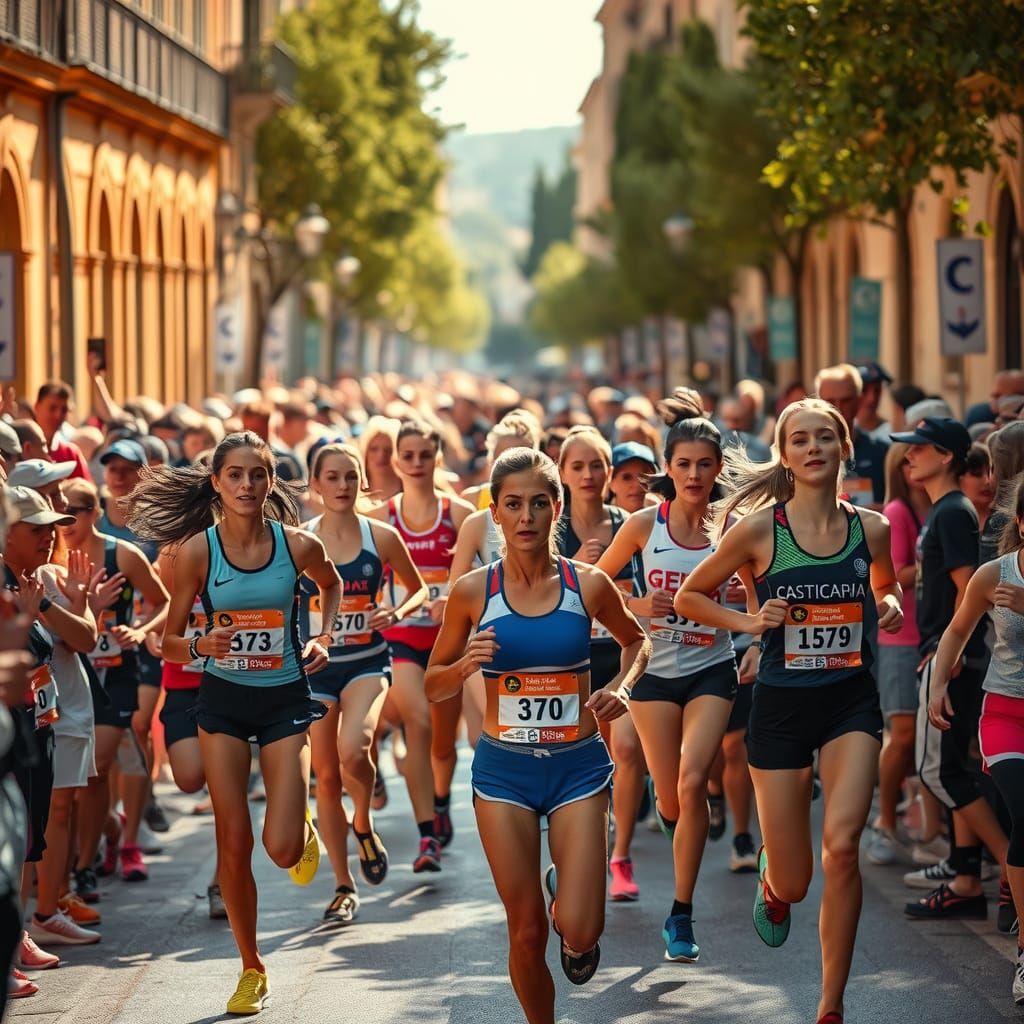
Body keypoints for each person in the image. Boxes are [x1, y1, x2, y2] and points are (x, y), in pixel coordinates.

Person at [676, 397, 903, 1024]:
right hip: (779, 708)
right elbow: (692, 596)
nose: (812, 448)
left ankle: (831, 1004)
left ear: (844, 447)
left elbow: (885, 584)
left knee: (843, 847)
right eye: (799, 439)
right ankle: (774, 879)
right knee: (797, 883)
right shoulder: (758, 531)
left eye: (824, 437)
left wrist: (887, 603)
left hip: (849, 701)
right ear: (783, 454)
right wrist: (750, 622)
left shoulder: (872, 528)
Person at [424, 448, 649, 1024]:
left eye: (539, 504)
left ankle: (568, 906)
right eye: (513, 505)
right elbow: (433, 685)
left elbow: (636, 641)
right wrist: (465, 664)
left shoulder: (587, 584)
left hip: (577, 767)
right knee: (525, 930)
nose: (526, 516)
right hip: (505, 771)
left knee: (583, 928)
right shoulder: (473, 592)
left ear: (557, 508)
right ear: (495, 513)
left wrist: (622, 688)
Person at [123, 430, 340, 1016]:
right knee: (234, 839)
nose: (247, 484)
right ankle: (251, 967)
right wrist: (202, 644)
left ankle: (301, 826)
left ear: (270, 481)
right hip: (221, 701)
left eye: (258, 474)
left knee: (281, 848)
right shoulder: (197, 552)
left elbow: (332, 585)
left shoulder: (298, 545)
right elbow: (168, 641)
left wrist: (323, 635)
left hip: (284, 699)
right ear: (216, 482)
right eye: (236, 475)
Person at [597, 390, 753, 956]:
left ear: (718, 469)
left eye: (704, 465)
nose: (693, 475)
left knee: (692, 783)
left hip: (712, 667)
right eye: (683, 464)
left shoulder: (735, 529)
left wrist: (750, 628)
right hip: (654, 674)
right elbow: (595, 588)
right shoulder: (644, 525)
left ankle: (681, 915)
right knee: (669, 800)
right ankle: (672, 817)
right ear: (667, 467)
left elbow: (756, 598)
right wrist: (640, 605)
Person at [300, 443, 427, 924]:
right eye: (332, 477)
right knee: (326, 777)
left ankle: (363, 819)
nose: (342, 486)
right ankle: (343, 885)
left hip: (367, 664)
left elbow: (417, 588)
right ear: (316, 484)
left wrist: (395, 611)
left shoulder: (381, 536)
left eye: (350, 476)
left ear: (361, 482)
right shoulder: (301, 541)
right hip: (316, 669)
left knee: (355, 748)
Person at [891, 418, 1010, 922]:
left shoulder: (954, 511)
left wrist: (949, 654)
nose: (908, 456)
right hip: (940, 654)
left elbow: (968, 590)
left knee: (938, 771)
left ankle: (1010, 870)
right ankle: (965, 878)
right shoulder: (944, 510)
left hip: (950, 660)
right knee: (952, 769)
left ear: (945, 456)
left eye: (919, 448)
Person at [925, 475, 1024, 1004]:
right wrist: (939, 683)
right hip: (1005, 711)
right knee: (1023, 811)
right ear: (1022, 524)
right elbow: (958, 630)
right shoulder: (995, 574)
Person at [369, 420, 474, 870]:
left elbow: (481, 572)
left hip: (447, 643)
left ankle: (441, 798)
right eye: (407, 455)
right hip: (400, 639)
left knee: (443, 745)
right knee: (418, 722)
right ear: (395, 461)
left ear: (437, 459)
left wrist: (453, 597)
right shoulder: (381, 518)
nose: (415, 463)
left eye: (424, 455)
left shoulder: (458, 515)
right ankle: (427, 833)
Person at [58, 477, 168, 894]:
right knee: (77, 779)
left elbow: (163, 601)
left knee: (98, 765)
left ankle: (84, 865)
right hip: (69, 672)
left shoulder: (121, 553)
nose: (66, 520)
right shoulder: (50, 553)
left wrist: (140, 630)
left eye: (75, 511)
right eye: (61, 511)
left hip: (115, 672)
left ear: (95, 513)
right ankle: (105, 834)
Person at [558, 426, 646, 902]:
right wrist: (571, 564)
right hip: (571, 661)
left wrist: (631, 599)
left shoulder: (629, 524)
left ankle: (621, 856)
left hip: (621, 653)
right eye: (578, 466)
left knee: (626, 750)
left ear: (609, 472)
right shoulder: (551, 529)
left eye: (597, 465)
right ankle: (579, 850)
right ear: (562, 474)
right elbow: (533, 593)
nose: (588, 474)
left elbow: (650, 591)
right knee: (583, 760)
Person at [863, 443, 936, 867]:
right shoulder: (897, 511)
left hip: (928, 635)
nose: (915, 463)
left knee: (926, 736)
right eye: (908, 458)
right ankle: (884, 821)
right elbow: (892, 575)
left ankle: (926, 828)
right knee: (903, 733)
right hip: (900, 637)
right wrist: (944, 563)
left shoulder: (934, 507)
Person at [815, 363, 888, 508]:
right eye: (830, 401)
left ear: (859, 401)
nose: (837, 408)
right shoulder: (806, 453)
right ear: (817, 404)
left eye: (846, 401)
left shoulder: (882, 453)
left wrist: (884, 511)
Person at [32, 382, 91, 481]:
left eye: (64, 410)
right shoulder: (19, 449)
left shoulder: (70, 454)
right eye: (52, 408)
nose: (58, 415)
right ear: (37, 407)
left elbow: (86, 488)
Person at [607, 442, 658, 513]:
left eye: (644, 476)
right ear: (610, 481)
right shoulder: (599, 518)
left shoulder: (664, 515)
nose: (637, 484)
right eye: (626, 477)